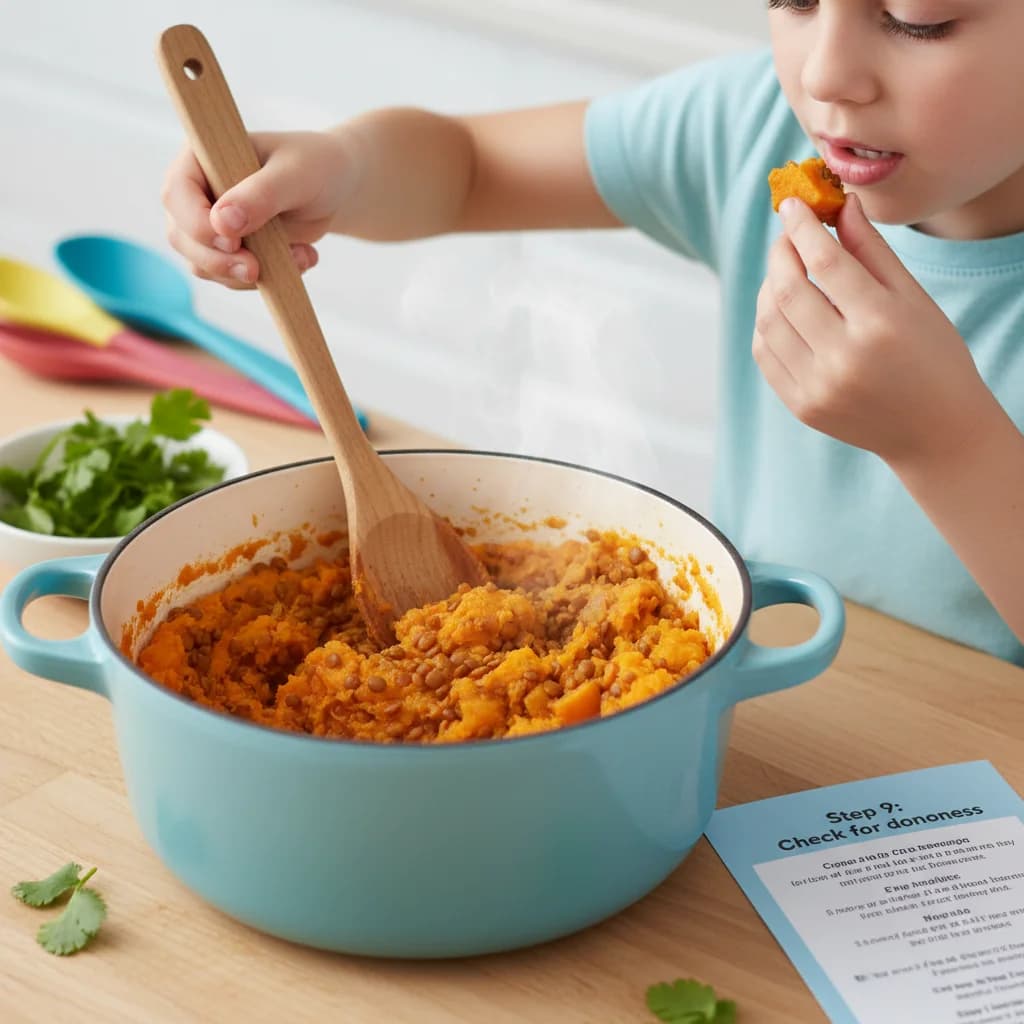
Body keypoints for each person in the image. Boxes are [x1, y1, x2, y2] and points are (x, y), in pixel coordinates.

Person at [161, 0, 1024, 664]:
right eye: (795, 0)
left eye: (920, 21)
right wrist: (339, 172)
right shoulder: (749, 125)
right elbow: (468, 168)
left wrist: (942, 442)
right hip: (774, 711)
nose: (828, 73)